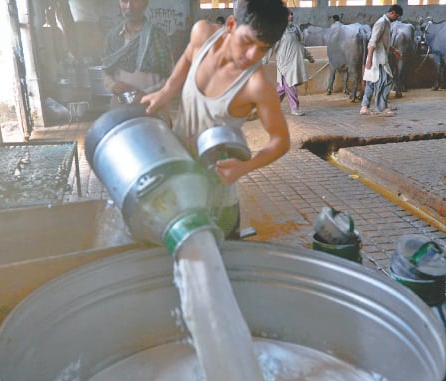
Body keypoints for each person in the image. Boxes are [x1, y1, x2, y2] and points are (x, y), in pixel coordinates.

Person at [141, 0, 290, 239]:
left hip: (217, 200)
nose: (251, 55)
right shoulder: (202, 34)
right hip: (178, 179)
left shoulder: (257, 85)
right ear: (231, 24)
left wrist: (244, 167)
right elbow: (188, 57)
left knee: (221, 265)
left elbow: (280, 141)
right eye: (247, 42)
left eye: (262, 49)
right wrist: (166, 91)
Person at [101, 0, 173, 106]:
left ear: (145, 3)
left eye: (135, 1)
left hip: (152, 107)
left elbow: (170, 78)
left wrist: (147, 94)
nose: (129, 6)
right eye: (124, 1)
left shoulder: (158, 36)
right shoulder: (113, 37)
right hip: (120, 108)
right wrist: (112, 85)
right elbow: (105, 70)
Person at [267, 9, 315, 116]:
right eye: (288, 15)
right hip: (285, 64)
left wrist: (309, 57)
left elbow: (300, 46)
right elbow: (271, 46)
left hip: (294, 63)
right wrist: (263, 59)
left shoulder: (295, 29)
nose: (291, 16)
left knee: (282, 89)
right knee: (291, 86)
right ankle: (294, 108)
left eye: (292, 14)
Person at [359, 5, 403, 116]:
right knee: (386, 81)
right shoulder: (381, 22)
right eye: (397, 16)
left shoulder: (386, 22)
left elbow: (384, 42)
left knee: (371, 82)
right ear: (393, 13)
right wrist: (369, 60)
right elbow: (373, 42)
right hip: (377, 58)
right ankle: (381, 107)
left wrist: (393, 50)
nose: (397, 19)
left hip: (379, 56)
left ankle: (364, 107)